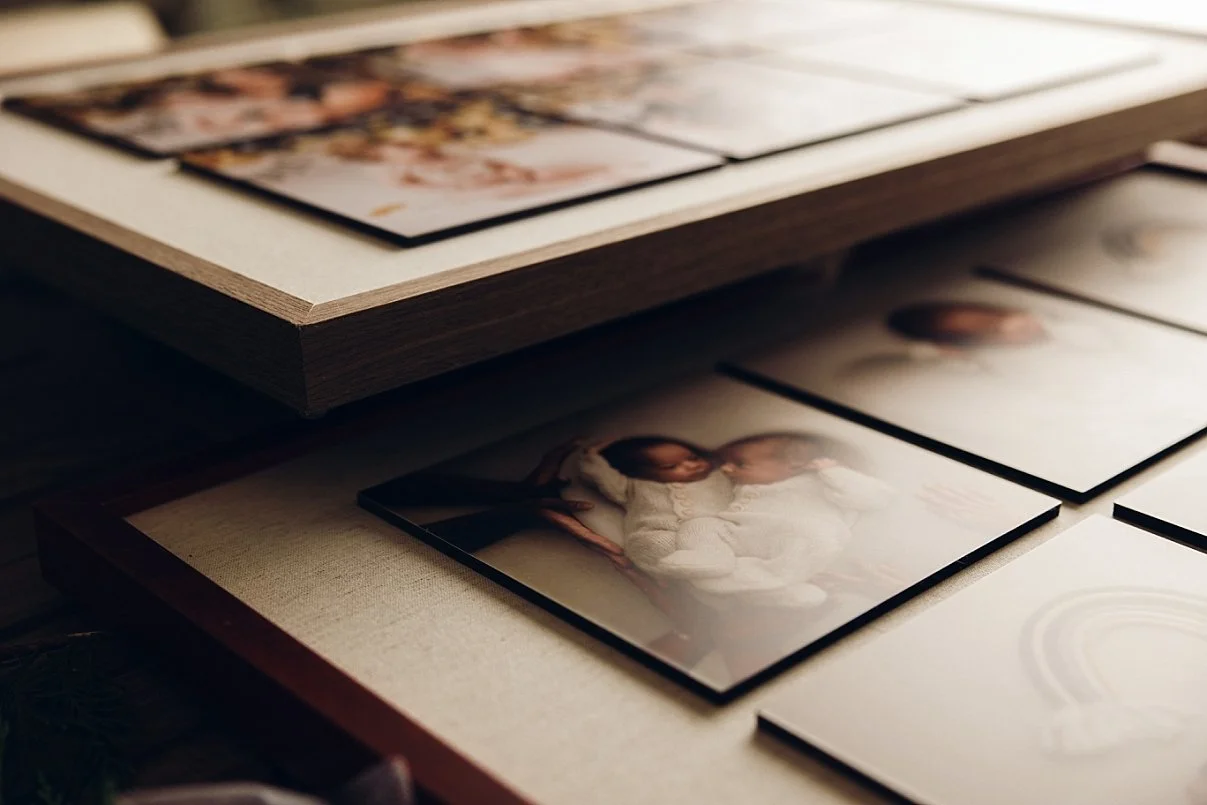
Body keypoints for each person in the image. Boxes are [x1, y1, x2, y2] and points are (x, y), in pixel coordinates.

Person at [656, 432, 896, 608]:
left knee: (810, 542)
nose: (727, 469)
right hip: (741, 532)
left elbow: (875, 497)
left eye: (739, 463)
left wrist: (833, 472)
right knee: (700, 524)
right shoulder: (741, 484)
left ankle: (777, 588)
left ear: (794, 465)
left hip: (798, 535)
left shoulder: (818, 481)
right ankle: (708, 558)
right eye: (725, 462)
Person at [576, 437, 733, 576]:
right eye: (671, 466)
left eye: (693, 457)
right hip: (657, 532)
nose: (691, 465)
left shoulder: (720, 477)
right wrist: (593, 456)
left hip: (712, 531)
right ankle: (692, 569)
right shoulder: (635, 485)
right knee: (647, 545)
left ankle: (711, 564)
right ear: (642, 472)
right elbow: (602, 478)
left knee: (705, 528)